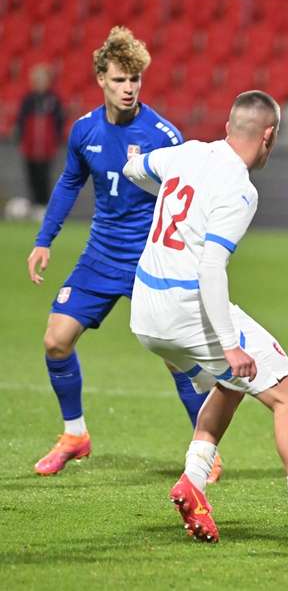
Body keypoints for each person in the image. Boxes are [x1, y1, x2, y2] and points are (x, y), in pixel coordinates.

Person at [123, 90, 288, 550]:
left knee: (236, 381)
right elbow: (210, 268)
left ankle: (193, 481)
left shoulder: (189, 152)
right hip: (185, 308)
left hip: (145, 311)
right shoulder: (239, 189)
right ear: (269, 135)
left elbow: (135, 169)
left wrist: (174, 198)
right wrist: (229, 344)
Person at [26, 27, 220, 481]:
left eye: (135, 79)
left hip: (149, 260)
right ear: (101, 80)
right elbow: (71, 182)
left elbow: (187, 195)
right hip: (99, 255)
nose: (129, 88)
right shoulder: (83, 130)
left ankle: (205, 449)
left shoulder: (162, 134)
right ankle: (75, 434)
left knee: (174, 355)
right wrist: (44, 239)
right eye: (119, 80)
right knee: (56, 340)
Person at [12, 64, 65, 222]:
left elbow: (59, 121)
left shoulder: (53, 99)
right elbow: (21, 121)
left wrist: (56, 138)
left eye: (42, 79)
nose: (39, 82)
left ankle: (44, 206)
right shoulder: (28, 99)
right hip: (30, 146)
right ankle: (34, 205)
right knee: (31, 175)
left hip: (47, 147)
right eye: (37, 79)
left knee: (45, 176)